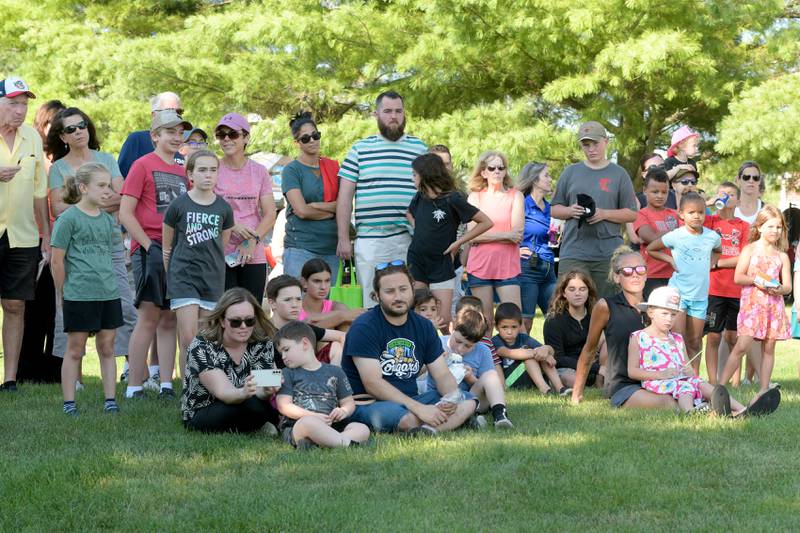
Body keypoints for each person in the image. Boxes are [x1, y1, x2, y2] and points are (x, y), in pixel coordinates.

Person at [46, 108, 137, 379]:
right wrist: (98, 203)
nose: (79, 131)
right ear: (62, 136)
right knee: (68, 307)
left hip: (110, 243)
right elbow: (57, 208)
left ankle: (132, 370)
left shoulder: (107, 160)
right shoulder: (59, 168)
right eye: (71, 129)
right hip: (73, 247)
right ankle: (73, 375)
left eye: (82, 125)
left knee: (124, 303)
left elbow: (123, 196)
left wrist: (87, 203)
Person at [341, 261, 477, 434]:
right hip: (370, 403)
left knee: (468, 399)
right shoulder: (364, 327)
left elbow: (442, 374)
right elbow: (372, 383)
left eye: (403, 289)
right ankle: (447, 423)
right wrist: (419, 408)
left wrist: (451, 398)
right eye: (389, 291)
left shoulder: (424, 326)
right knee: (407, 418)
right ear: (376, 296)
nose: (398, 296)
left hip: (412, 399)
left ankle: (428, 429)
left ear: (412, 289)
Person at [119, 109, 191, 398]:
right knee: (148, 315)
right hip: (149, 248)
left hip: (177, 250)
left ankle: (164, 383)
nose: (176, 137)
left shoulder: (183, 168)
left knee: (169, 318)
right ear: (155, 136)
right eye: (169, 131)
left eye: (180, 132)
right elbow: (125, 212)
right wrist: (149, 246)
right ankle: (134, 385)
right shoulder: (142, 165)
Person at [336, 91, 428, 304]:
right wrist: (343, 238)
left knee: (406, 301)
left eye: (398, 111)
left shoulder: (419, 148)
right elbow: (344, 197)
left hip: (408, 239)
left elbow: (431, 194)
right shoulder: (360, 149)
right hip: (370, 240)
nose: (393, 116)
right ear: (376, 114)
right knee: (372, 301)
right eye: (387, 111)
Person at [50, 163, 123, 416]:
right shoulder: (67, 219)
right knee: (75, 348)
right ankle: (69, 403)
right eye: (101, 186)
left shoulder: (106, 220)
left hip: (108, 292)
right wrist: (62, 292)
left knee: (107, 347)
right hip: (79, 293)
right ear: (83, 188)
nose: (107, 191)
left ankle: (110, 400)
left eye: (109, 186)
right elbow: (57, 260)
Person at [163, 150, 234, 391]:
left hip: (212, 278)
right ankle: (188, 390)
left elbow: (221, 246)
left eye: (213, 170)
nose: (208, 175)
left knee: (206, 339)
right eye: (202, 170)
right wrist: (171, 274)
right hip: (183, 277)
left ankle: (206, 388)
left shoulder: (224, 208)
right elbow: (167, 246)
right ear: (190, 174)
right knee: (187, 337)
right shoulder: (178, 205)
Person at [571, 247, 676, 409]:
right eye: (627, 270)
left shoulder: (656, 306)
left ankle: (720, 410)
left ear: (646, 274)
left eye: (640, 269)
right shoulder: (606, 306)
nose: (634, 274)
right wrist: (576, 395)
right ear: (616, 277)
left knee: (692, 392)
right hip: (623, 385)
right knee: (667, 403)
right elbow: (589, 349)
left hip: (656, 380)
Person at [0, 76, 50, 392]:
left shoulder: (32, 137)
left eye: (24, 104)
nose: (20, 110)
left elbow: (39, 192)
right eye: (13, 103)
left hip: (23, 236)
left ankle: (10, 379)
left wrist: (46, 234)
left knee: (15, 305)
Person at [629, 286, 749, 415]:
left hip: (679, 379)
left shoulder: (677, 338)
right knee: (685, 387)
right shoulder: (638, 337)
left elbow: (687, 366)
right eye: (664, 313)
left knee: (700, 383)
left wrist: (688, 371)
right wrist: (662, 374)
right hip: (656, 382)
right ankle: (690, 412)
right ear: (651, 312)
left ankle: (741, 409)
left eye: (673, 315)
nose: (669, 319)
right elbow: (632, 371)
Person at [550, 121, 638, 298]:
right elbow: (553, 209)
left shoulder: (619, 174)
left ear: (606, 142)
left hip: (608, 253)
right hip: (574, 251)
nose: (591, 149)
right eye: (586, 145)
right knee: (568, 304)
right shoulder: (570, 172)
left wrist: (604, 214)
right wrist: (570, 211)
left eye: (595, 143)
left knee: (607, 306)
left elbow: (631, 213)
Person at [407, 153, 492, 329]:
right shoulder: (419, 196)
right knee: (415, 312)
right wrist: (419, 231)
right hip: (417, 261)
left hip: (441, 263)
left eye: (414, 174)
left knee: (443, 319)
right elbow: (409, 213)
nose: (412, 178)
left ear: (426, 174)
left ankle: (450, 352)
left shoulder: (452, 198)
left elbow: (486, 222)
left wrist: (458, 243)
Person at [181, 288, 280, 433]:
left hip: (249, 401)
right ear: (222, 321)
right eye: (235, 322)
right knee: (254, 407)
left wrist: (266, 390)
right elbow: (223, 392)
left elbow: (261, 389)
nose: (244, 327)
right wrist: (244, 393)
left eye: (249, 320)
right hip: (207, 408)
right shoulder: (203, 345)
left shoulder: (262, 342)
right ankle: (257, 424)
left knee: (261, 405)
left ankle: (258, 423)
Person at [719, 206, 792, 396]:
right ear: (759, 227)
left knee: (769, 347)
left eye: (778, 227)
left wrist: (778, 288)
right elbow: (738, 277)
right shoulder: (750, 250)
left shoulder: (782, 256)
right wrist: (758, 281)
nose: (775, 231)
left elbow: (788, 287)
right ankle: (718, 387)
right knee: (742, 345)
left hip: (772, 306)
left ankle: (763, 389)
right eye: (770, 226)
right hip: (752, 305)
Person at [17, 99, 64, 383]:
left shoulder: (66, 161)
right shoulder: (32, 153)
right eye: (51, 124)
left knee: (56, 309)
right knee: (31, 307)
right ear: (41, 124)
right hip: (32, 237)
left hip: (62, 240)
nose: (55, 130)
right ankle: (26, 368)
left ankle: (53, 368)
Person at [647, 192, 721, 373]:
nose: (696, 216)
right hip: (678, 294)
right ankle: (676, 374)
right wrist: (670, 261)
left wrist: (712, 262)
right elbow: (651, 249)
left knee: (695, 340)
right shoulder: (676, 236)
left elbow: (718, 250)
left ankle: (694, 378)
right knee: (678, 338)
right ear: (681, 214)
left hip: (700, 296)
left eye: (701, 212)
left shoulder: (712, 237)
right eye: (691, 212)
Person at [275, 321, 370, 449]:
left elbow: (348, 402)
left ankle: (323, 442)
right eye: (281, 353)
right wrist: (313, 416)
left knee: (362, 428)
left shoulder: (336, 372)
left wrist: (343, 411)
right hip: (298, 424)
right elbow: (284, 406)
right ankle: (347, 444)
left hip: (332, 424)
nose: (283, 357)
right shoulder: (287, 373)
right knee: (308, 424)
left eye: (286, 350)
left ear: (305, 343)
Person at [214, 113, 276, 303]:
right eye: (221, 134)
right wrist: (231, 225)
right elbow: (203, 205)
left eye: (232, 134)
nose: (226, 139)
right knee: (225, 312)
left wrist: (252, 240)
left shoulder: (259, 171)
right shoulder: (212, 167)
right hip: (220, 251)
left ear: (246, 137)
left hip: (252, 252)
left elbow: (270, 213)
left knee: (252, 310)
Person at [465, 151, 524, 331]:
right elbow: (471, 235)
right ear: (483, 172)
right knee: (485, 323)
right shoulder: (475, 197)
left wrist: (484, 235)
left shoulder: (516, 196)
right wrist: (505, 235)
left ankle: (514, 358)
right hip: (480, 267)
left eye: (501, 167)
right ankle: (488, 359)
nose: (497, 171)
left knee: (513, 320)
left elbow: (517, 234)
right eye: (492, 168)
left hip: (508, 267)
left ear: (506, 171)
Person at [429, 308, 513, 428]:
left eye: (468, 346)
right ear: (451, 328)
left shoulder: (483, 351)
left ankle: (500, 414)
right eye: (457, 341)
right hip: (439, 398)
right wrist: (437, 361)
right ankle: (469, 420)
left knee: (491, 375)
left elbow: (488, 385)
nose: (460, 349)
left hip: (472, 398)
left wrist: (470, 378)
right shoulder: (437, 344)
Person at [281, 112, 340, 280]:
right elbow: (301, 211)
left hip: (331, 248)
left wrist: (316, 206)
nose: (312, 140)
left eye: (315, 135)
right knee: (297, 302)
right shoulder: (292, 170)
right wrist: (331, 211)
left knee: (326, 305)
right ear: (297, 143)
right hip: (301, 247)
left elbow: (344, 205)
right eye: (305, 138)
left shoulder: (333, 167)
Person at [703, 182, 749, 384]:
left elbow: (743, 257)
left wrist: (718, 263)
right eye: (723, 194)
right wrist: (709, 203)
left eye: (731, 194)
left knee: (732, 338)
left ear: (738, 200)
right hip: (714, 289)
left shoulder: (743, 226)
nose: (727, 197)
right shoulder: (709, 222)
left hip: (736, 290)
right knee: (713, 337)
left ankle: (735, 381)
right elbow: (686, 219)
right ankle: (713, 381)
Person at [543, 270, 605, 388]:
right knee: (572, 379)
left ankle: (600, 382)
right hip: (568, 368)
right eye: (572, 289)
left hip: (594, 361)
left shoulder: (596, 315)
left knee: (607, 342)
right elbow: (558, 358)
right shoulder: (553, 320)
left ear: (588, 292)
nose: (578, 293)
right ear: (564, 293)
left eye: (582, 289)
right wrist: (596, 368)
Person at [266, 275, 345, 365]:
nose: (295, 305)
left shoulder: (303, 329)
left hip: (312, 376)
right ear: (272, 303)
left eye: (299, 299)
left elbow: (343, 336)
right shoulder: (260, 332)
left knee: (336, 347)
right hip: (274, 377)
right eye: (287, 300)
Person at [492, 302, 570, 395]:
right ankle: (545, 390)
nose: (509, 332)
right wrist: (536, 353)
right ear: (496, 327)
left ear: (520, 326)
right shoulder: (496, 341)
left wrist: (545, 351)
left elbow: (550, 350)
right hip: (510, 380)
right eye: (504, 327)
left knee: (541, 354)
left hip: (529, 377)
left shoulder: (523, 338)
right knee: (531, 358)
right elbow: (508, 352)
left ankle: (560, 388)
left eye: (514, 327)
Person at [516, 161, 557, 333]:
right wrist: (515, 250)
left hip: (549, 266)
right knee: (526, 322)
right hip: (528, 267)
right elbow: (506, 229)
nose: (550, 179)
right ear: (534, 180)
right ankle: (519, 357)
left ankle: (554, 357)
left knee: (557, 318)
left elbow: (552, 238)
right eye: (546, 175)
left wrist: (556, 235)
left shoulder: (550, 208)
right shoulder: (522, 204)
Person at [633, 166, 680, 298]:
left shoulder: (674, 214)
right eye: (655, 192)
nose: (660, 196)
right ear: (644, 191)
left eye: (664, 192)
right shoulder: (641, 214)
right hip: (651, 275)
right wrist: (676, 230)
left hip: (675, 274)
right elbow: (651, 238)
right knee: (653, 314)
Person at [118, 92, 183, 176]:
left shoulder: (184, 142)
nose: (174, 115)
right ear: (154, 115)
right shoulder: (137, 139)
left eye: (178, 112)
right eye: (168, 111)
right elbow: (121, 178)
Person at [299, 258, 363, 329]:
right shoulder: (294, 307)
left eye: (327, 281)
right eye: (317, 281)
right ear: (304, 282)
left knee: (345, 324)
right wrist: (340, 316)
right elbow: (304, 333)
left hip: (338, 339)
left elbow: (347, 337)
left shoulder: (337, 307)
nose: (323, 287)